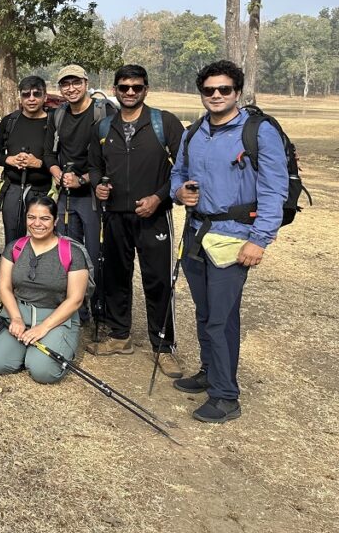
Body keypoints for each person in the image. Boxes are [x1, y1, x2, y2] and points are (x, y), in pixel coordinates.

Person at [169, 60, 288, 423]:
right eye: (209, 90)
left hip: (235, 237)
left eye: (224, 89)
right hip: (196, 233)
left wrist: (260, 240)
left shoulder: (258, 131)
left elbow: (274, 189)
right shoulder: (194, 132)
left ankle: (225, 396)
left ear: (237, 92)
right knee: (204, 312)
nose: (216, 95)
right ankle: (210, 372)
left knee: (222, 318)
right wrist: (179, 192)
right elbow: (178, 172)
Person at [89, 65, 184, 377]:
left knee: (158, 280)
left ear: (146, 89)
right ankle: (120, 336)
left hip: (153, 215)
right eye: (124, 87)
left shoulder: (163, 122)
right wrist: (98, 186)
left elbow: (183, 168)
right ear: (115, 89)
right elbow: (94, 166)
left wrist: (159, 197)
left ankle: (163, 346)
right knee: (116, 276)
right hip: (115, 214)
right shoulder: (104, 127)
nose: (130, 92)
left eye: (137, 87)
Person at [0, 196, 89, 383]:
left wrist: (43, 328)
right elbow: (4, 286)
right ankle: (24, 350)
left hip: (55, 316)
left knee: (43, 372)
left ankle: (44, 349)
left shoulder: (72, 253)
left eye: (45, 218)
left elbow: (76, 299)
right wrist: (16, 318)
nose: (37, 224)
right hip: (20, 311)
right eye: (31, 217)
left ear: (55, 220)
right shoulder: (15, 248)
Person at [43, 65, 117, 280]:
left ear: (86, 84)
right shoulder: (58, 114)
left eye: (76, 83)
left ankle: (95, 295)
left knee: (94, 252)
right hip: (66, 195)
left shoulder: (104, 112)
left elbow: (114, 157)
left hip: (94, 194)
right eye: (65, 84)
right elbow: (48, 154)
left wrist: (82, 180)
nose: (71, 88)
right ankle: (73, 296)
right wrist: (59, 174)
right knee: (68, 251)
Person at [0, 76, 52, 245]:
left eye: (36, 94)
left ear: (45, 96)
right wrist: (9, 160)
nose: (31, 99)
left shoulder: (54, 122)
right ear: (20, 97)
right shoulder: (10, 121)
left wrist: (39, 163)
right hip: (13, 190)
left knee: (41, 241)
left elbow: (61, 157)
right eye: (26, 94)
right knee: (13, 242)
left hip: (43, 191)